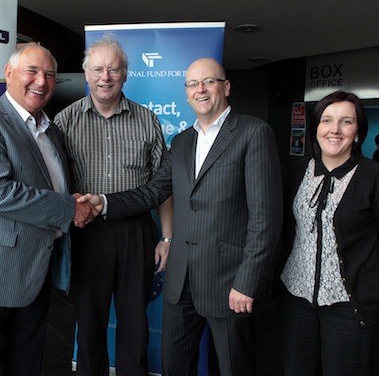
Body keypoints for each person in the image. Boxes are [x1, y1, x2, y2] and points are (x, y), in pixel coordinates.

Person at [80, 57, 283, 375]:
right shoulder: (182, 142)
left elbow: (266, 218)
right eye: (192, 84)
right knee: (176, 366)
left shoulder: (254, 133)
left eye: (209, 81)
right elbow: (153, 192)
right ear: (186, 93)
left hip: (229, 283)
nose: (200, 89)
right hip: (180, 281)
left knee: (234, 367)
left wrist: (247, 281)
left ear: (226, 87)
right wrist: (103, 202)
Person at [0, 44, 97, 376]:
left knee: (27, 365)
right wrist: (68, 208)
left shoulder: (51, 129)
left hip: (35, 269)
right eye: (32, 71)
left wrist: (73, 200)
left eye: (49, 75)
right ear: (8, 73)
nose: (41, 82)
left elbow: (50, 185)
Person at [54, 35, 173, 376]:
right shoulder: (65, 122)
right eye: (98, 69)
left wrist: (167, 237)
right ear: (86, 74)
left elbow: (162, 186)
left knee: (135, 322)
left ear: (125, 74)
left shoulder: (147, 120)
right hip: (86, 233)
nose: (105, 76)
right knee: (89, 322)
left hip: (137, 232)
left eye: (113, 69)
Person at [278, 90, 379, 375]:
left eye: (346, 122)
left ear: (358, 131)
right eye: (327, 120)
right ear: (316, 128)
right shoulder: (297, 171)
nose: (335, 130)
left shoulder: (373, 176)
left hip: (350, 305)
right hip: (296, 300)